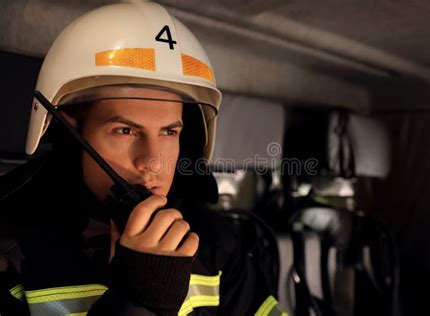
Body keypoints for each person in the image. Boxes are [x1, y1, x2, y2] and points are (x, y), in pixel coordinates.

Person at [0, 2, 287, 315]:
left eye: (168, 132)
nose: (152, 162)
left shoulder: (214, 240)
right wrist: (139, 302)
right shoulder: (11, 248)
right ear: (71, 135)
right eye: (125, 130)